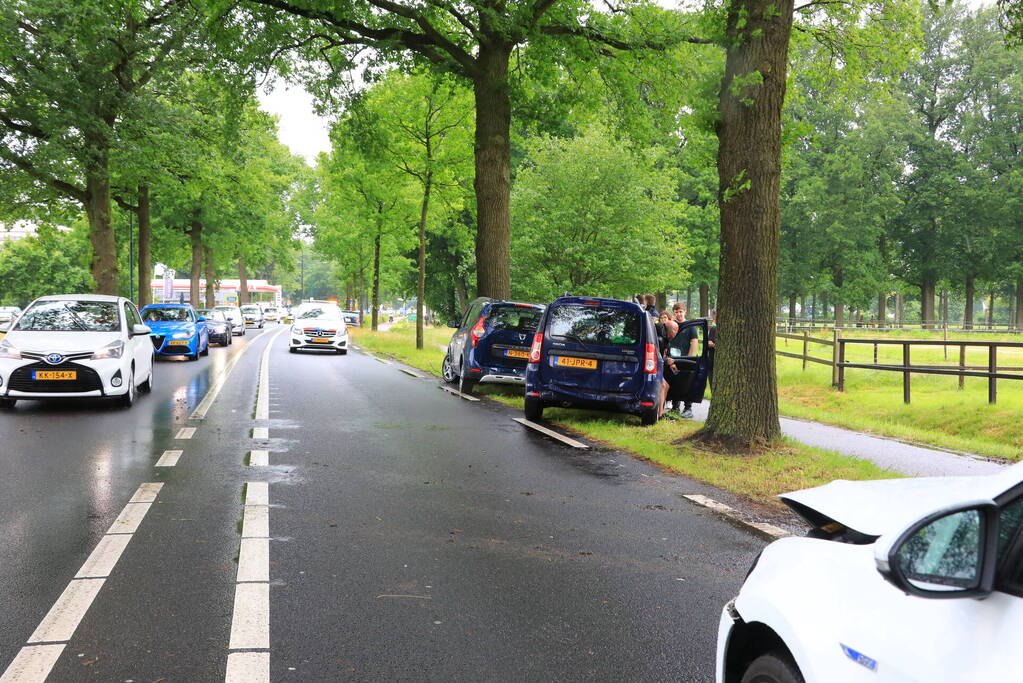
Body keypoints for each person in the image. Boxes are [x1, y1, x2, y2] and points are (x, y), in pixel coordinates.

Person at [667, 302, 699, 418]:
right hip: (673, 359)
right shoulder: (672, 325)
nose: (679, 314)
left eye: (681, 311)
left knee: (687, 383)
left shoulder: (690, 326)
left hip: (686, 359)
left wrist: (689, 358)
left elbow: (694, 342)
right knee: (675, 382)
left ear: (684, 312)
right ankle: (675, 407)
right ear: (674, 313)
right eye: (676, 312)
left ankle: (688, 408)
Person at [707, 308, 717, 389]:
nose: (714, 320)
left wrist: (713, 345)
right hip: (711, 361)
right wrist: (709, 344)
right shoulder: (713, 329)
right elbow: (709, 341)